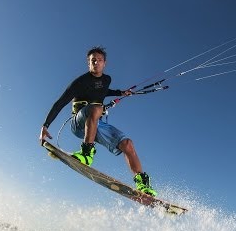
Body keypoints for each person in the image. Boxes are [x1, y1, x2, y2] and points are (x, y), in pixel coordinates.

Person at [39, 46, 157, 197]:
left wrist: (121, 92)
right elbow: (60, 103)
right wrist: (45, 125)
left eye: (99, 60)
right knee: (95, 108)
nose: (96, 63)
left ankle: (142, 184)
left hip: (96, 124)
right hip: (79, 123)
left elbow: (103, 91)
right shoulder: (80, 82)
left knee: (127, 143)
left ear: (104, 63)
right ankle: (86, 153)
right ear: (88, 63)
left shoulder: (106, 80)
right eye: (92, 60)